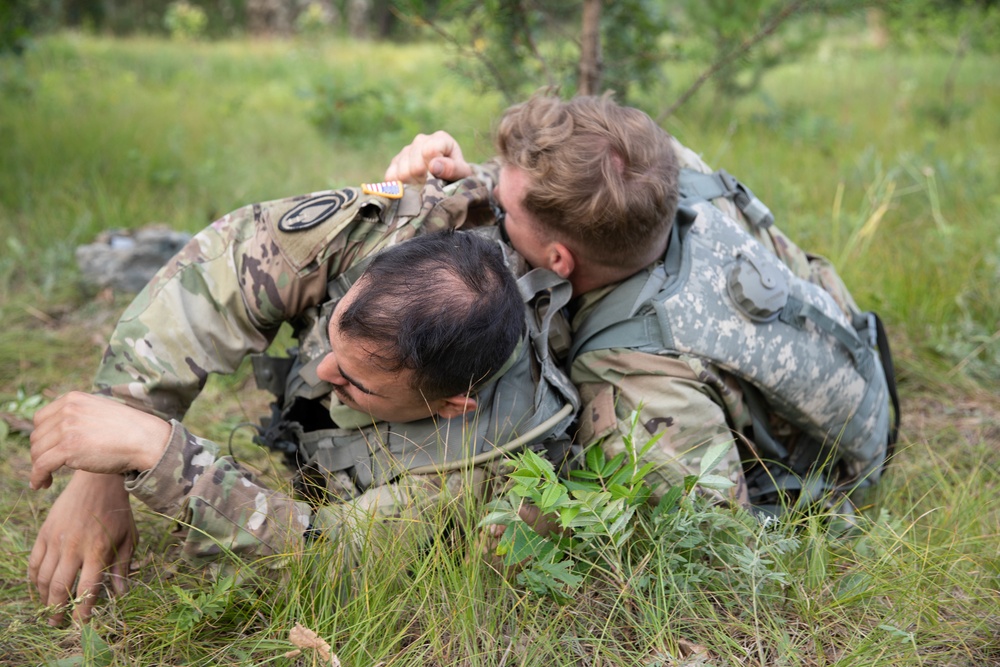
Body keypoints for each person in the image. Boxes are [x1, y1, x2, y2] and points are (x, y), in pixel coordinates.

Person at [28, 181, 578, 624]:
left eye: (357, 383)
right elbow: (212, 280)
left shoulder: (475, 467)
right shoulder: (393, 237)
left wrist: (155, 451)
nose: (321, 370)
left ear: (452, 406)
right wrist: (98, 470)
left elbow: (321, 562)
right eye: (334, 338)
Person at [385, 92, 897, 517]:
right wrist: (460, 174)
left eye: (503, 204)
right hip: (856, 349)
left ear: (558, 259)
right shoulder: (659, 171)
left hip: (843, 457)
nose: (490, 194)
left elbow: (718, 540)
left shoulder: (633, 379)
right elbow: (561, 191)